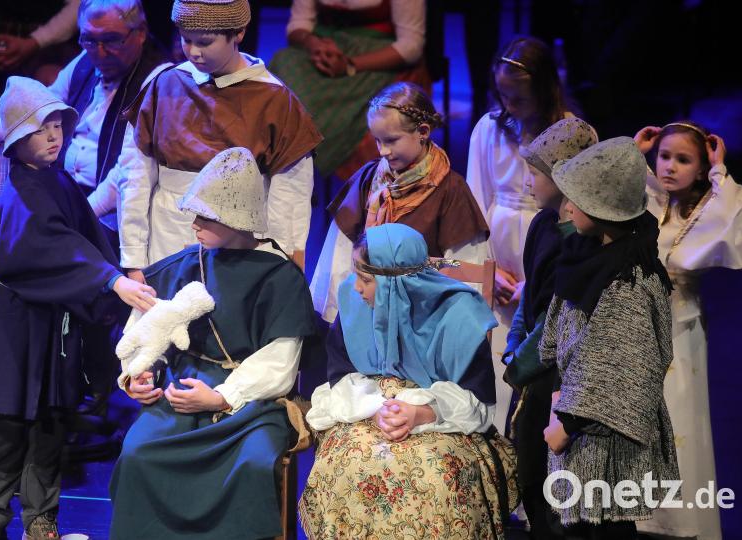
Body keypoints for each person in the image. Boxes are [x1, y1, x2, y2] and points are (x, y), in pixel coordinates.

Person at [0, 0, 172, 416]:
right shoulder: (86, 63)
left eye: (110, 42)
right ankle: (27, 388)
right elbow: (30, 117)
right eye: (89, 41)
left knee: (37, 243)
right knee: (20, 234)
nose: (98, 52)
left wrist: (71, 215)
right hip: (63, 190)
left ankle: (77, 382)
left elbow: (125, 176)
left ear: (140, 34)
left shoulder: (157, 79)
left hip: (107, 212)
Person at [0, 76, 155, 540]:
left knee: (51, 423)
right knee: (8, 424)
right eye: (41, 128)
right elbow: (47, 247)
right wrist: (107, 279)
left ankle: (41, 518)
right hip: (16, 323)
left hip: (56, 323)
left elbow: (86, 236)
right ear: (17, 139)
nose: (54, 136)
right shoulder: (18, 192)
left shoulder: (58, 181)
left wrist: (118, 274)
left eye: (58, 125)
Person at [109, 147, 315, 539]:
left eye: (206, 216)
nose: (194, 224)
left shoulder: (280, 276)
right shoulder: (186, 263)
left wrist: (222, 397)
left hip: (251, 401)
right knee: (137, 453)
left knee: (253, 464)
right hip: (183, 389)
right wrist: (138, 374)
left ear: (237, 220)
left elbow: (281, 361)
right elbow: (149, 328)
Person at [300, 223, 517, 539]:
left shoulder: (459, 317)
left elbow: (479, 403)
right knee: (351, 466)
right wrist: (376, 409)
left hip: (442, 416)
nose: (356, 288)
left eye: (366, 280)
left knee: (439, 478)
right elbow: (340, 376)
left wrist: (422, 412)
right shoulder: (354, 303)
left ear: (397, 286)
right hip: (368, 405)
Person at [116, 0, 323, 279]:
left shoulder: (275, 99)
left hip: (240, 253)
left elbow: (290, 197)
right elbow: (135, 177)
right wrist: (133, 259)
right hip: (165, 244)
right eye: (186, 40)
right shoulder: (164, 85)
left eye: (205, 42)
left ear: (238, 33)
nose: (193, 52)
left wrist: (280, 264)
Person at [541, 137, 679, 539]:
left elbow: (620, 366)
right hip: (575, 419)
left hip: (602, 436)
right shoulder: (585, 257)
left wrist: (566, 423)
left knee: (604, 527)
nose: (566, 207)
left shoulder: (628, 280)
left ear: (601, 211)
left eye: (576, 200)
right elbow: (563, 334)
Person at [633, 121, 742, 540]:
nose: (669, 167)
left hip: (678, 331)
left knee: (677, 416)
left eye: (683, 160)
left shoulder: (702, 212)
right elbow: (620, 189)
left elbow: (729, 217)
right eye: (664, 157)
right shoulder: (653, 203)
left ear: (699, 170)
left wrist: (719, 169)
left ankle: (675, 519)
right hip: (638, 328)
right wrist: (637, 150)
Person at [310, 81, 488, 323]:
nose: (382, 151)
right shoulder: (368, 180)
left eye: (391, 141)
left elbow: (462, 266)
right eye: (377, 140)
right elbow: (341, 253)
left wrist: (411, 271)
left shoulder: (450, 191)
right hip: (367, 310)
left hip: (423, 316)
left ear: (423, 132)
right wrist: (342, 314)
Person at [465, 35, 574, 431]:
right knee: (496, 370)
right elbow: (475, 204)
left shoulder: (572, 133)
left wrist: (535, 281)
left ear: (544, 90)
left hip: (549, 264)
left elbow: (577, 219)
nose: (509, 106)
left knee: (542, 366)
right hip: (499, 270)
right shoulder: (489, 129)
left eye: (520, 99)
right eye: (503, 95)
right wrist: (489, 272)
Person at [502, 117, 597, 539]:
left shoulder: (577, 237)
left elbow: (557, 316)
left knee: (554, 481)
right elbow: (531, 295)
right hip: (533, 366)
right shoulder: (542, 222)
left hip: (559, 372)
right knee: (528, 470)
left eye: (535, 174)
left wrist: (521, 363)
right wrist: (513, 341)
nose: (527, 184)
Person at [268, 0, 427, 181]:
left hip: (375, 59)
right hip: (322, 52)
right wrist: (313, 43)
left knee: (374, 113)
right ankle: (291, 177)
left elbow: (411, 45)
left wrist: (350, 65)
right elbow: (299, 24)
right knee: (283, 73)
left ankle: (359, 192)